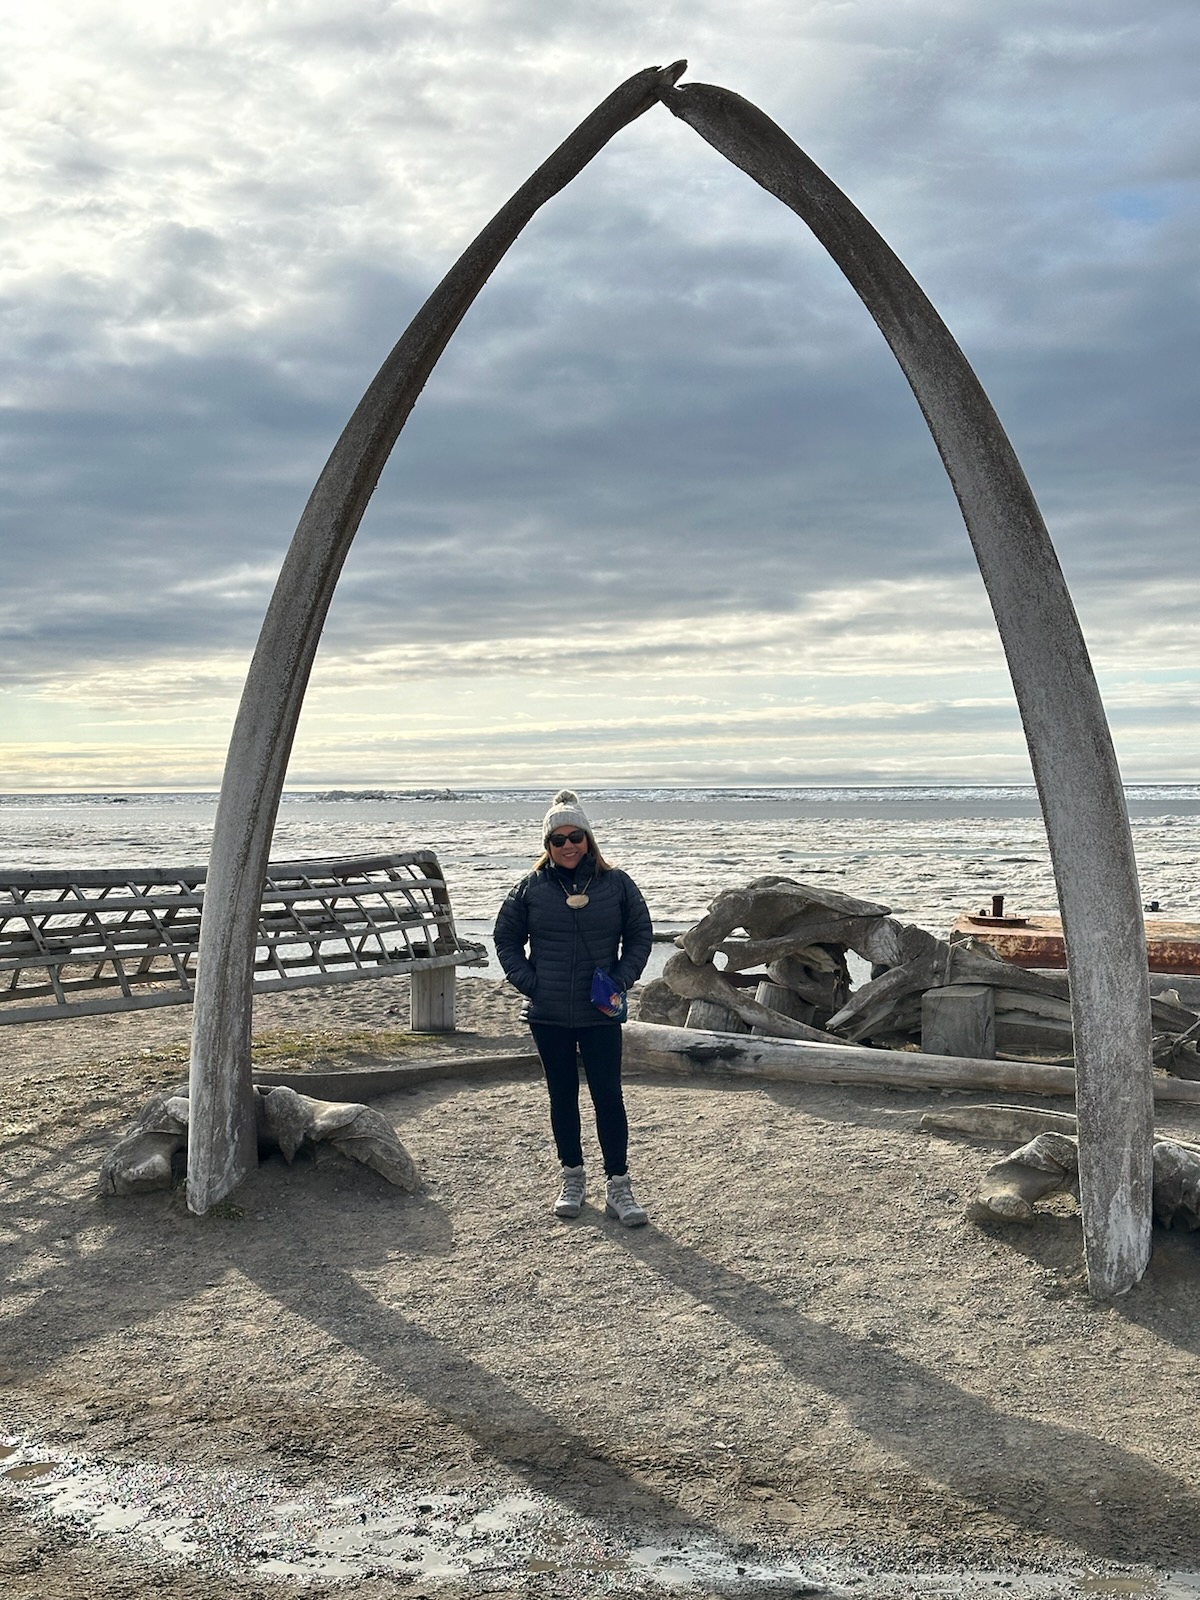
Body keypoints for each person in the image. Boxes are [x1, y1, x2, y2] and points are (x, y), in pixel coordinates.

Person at [494, 789, 653, 1225]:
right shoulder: (530, 887)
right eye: (558, 839)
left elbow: (640, 935)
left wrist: (620, 980)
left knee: (608, 1097)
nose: (567, 846)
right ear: (546, 846)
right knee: (561, 1096)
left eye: (575, 836)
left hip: (600, 1013)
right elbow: (505, 939)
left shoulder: (616, 884)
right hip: (548, 1015)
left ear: (589, 838)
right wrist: (531, 984)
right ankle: (572, 1177)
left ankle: (619, 1186)